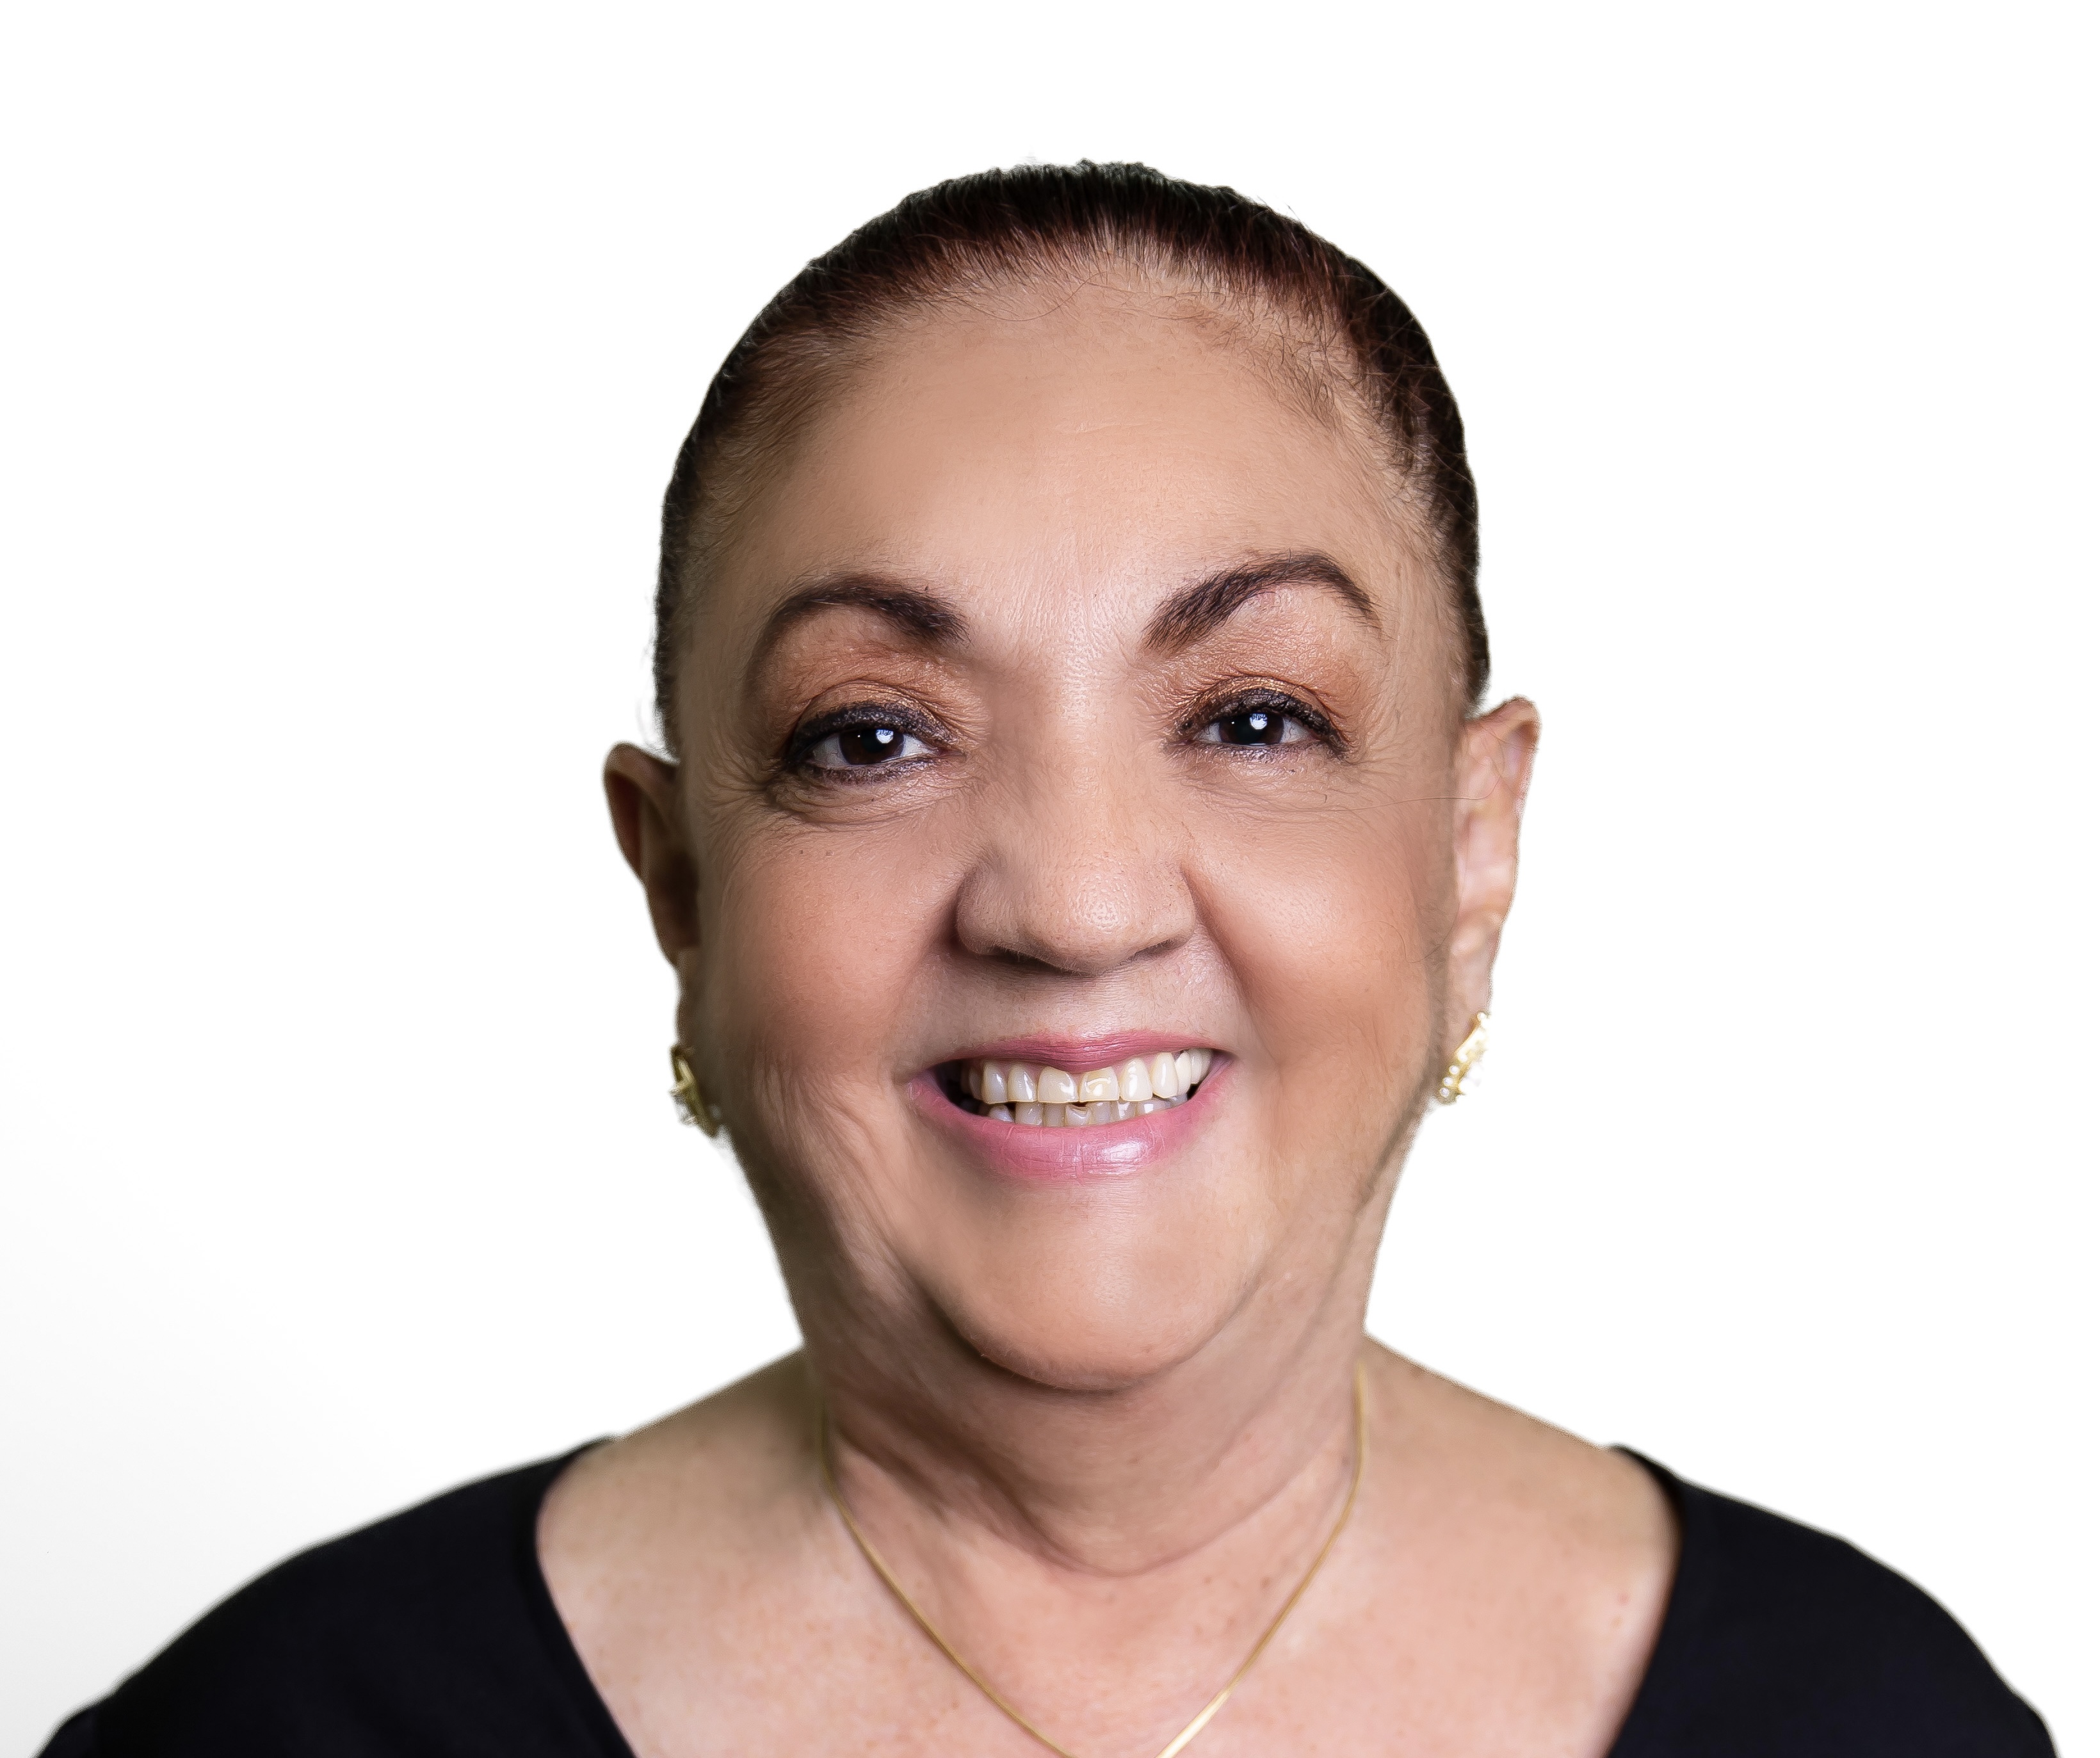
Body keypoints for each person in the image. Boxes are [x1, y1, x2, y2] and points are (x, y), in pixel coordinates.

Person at [40, 163, 2051, 1758]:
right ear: (683, 893)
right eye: (872, 736)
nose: (1075, 905)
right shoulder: (266, 1728)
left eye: (1253, 716)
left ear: (1470, 852)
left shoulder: (1876, 1722)